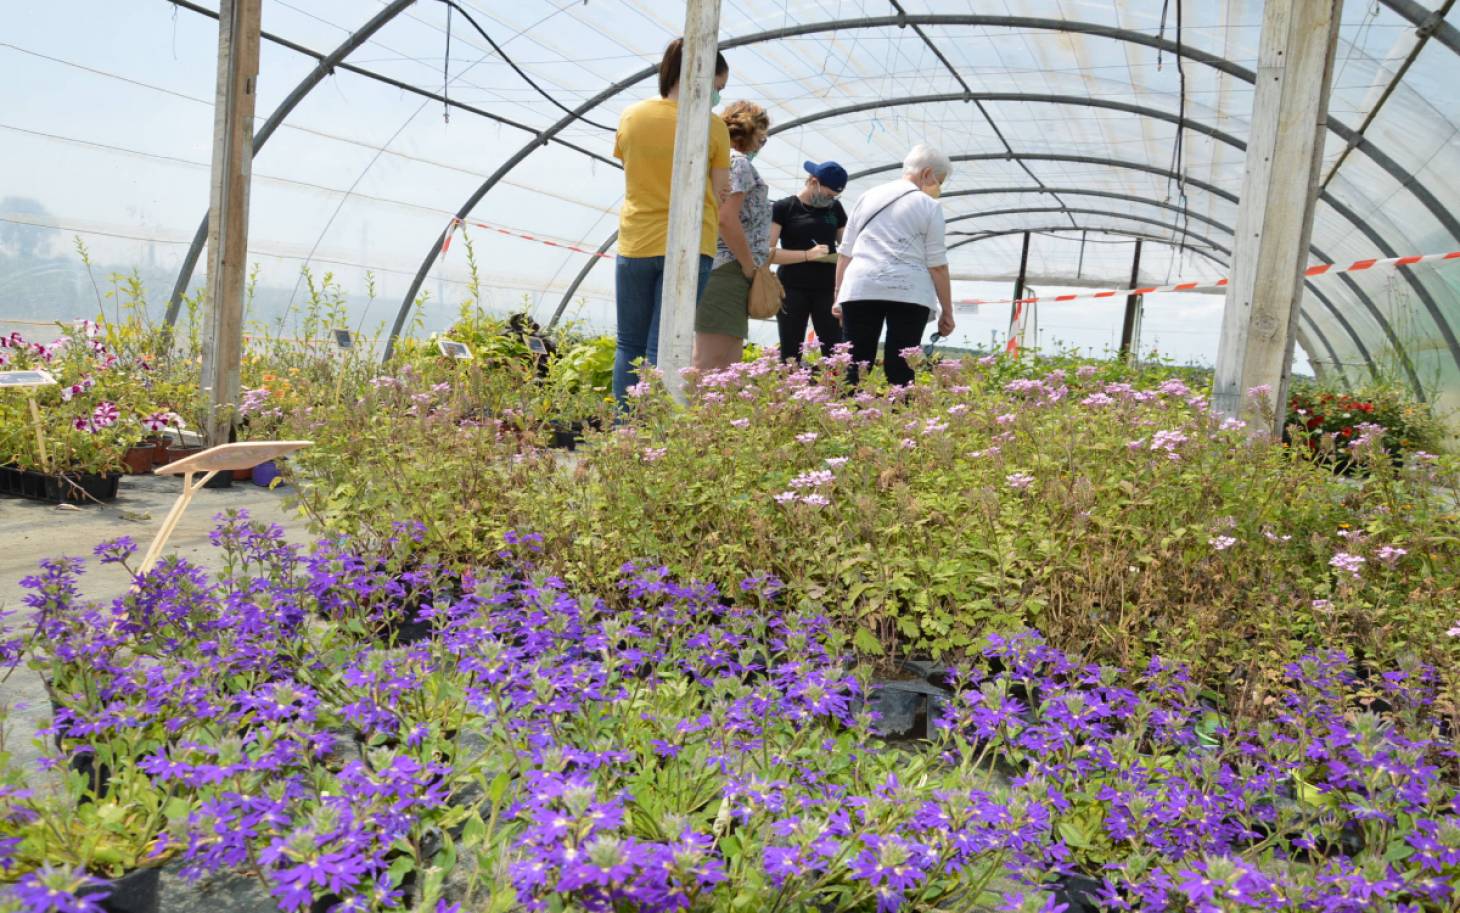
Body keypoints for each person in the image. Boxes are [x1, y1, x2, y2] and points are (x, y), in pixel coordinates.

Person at [612, 39, 732, 402]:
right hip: (690, 245)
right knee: (663, 347)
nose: (717, 95)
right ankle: (652, 435)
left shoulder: (632, 115)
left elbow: (630, 167)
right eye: (718, 86)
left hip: (636, 240)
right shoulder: (712, 127)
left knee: (628, 343)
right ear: (705, 75)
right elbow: (720, 191)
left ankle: (624, 431)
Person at [834, 144, 956, 387]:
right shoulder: (929, 206)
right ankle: (898, 419)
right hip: (909, 292)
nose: (937, 188)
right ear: (927, 173)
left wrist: (838, 295)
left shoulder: (867, 196)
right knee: (901, 367)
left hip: (861, 287)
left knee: (855, 365)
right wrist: (947, 311)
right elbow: (937, 265)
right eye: (938, 181)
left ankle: (847, 418)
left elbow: (845, 252)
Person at [693, 101, 771, 372]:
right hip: (728, 268)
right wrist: (749, 266)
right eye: (763, 136)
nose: (763, 143)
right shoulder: (736, 163)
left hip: (725, 267)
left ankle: (712, 413)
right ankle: (695, 413)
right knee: (713, 360)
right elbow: (726, 219)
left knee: (727, 360)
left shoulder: (721, 160)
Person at [769, 161, 848, 362]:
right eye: (829, 195)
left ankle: (834, 390)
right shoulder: (784, 208)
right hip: (791, 288)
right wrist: (807, 255)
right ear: (814, 182)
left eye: (835, 197)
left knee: (835, 350)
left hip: (827, 289)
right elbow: (766, 252)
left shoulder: (835, 209)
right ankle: (789, 388)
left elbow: (848, 246)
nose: (831, 200)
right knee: (790, 350)